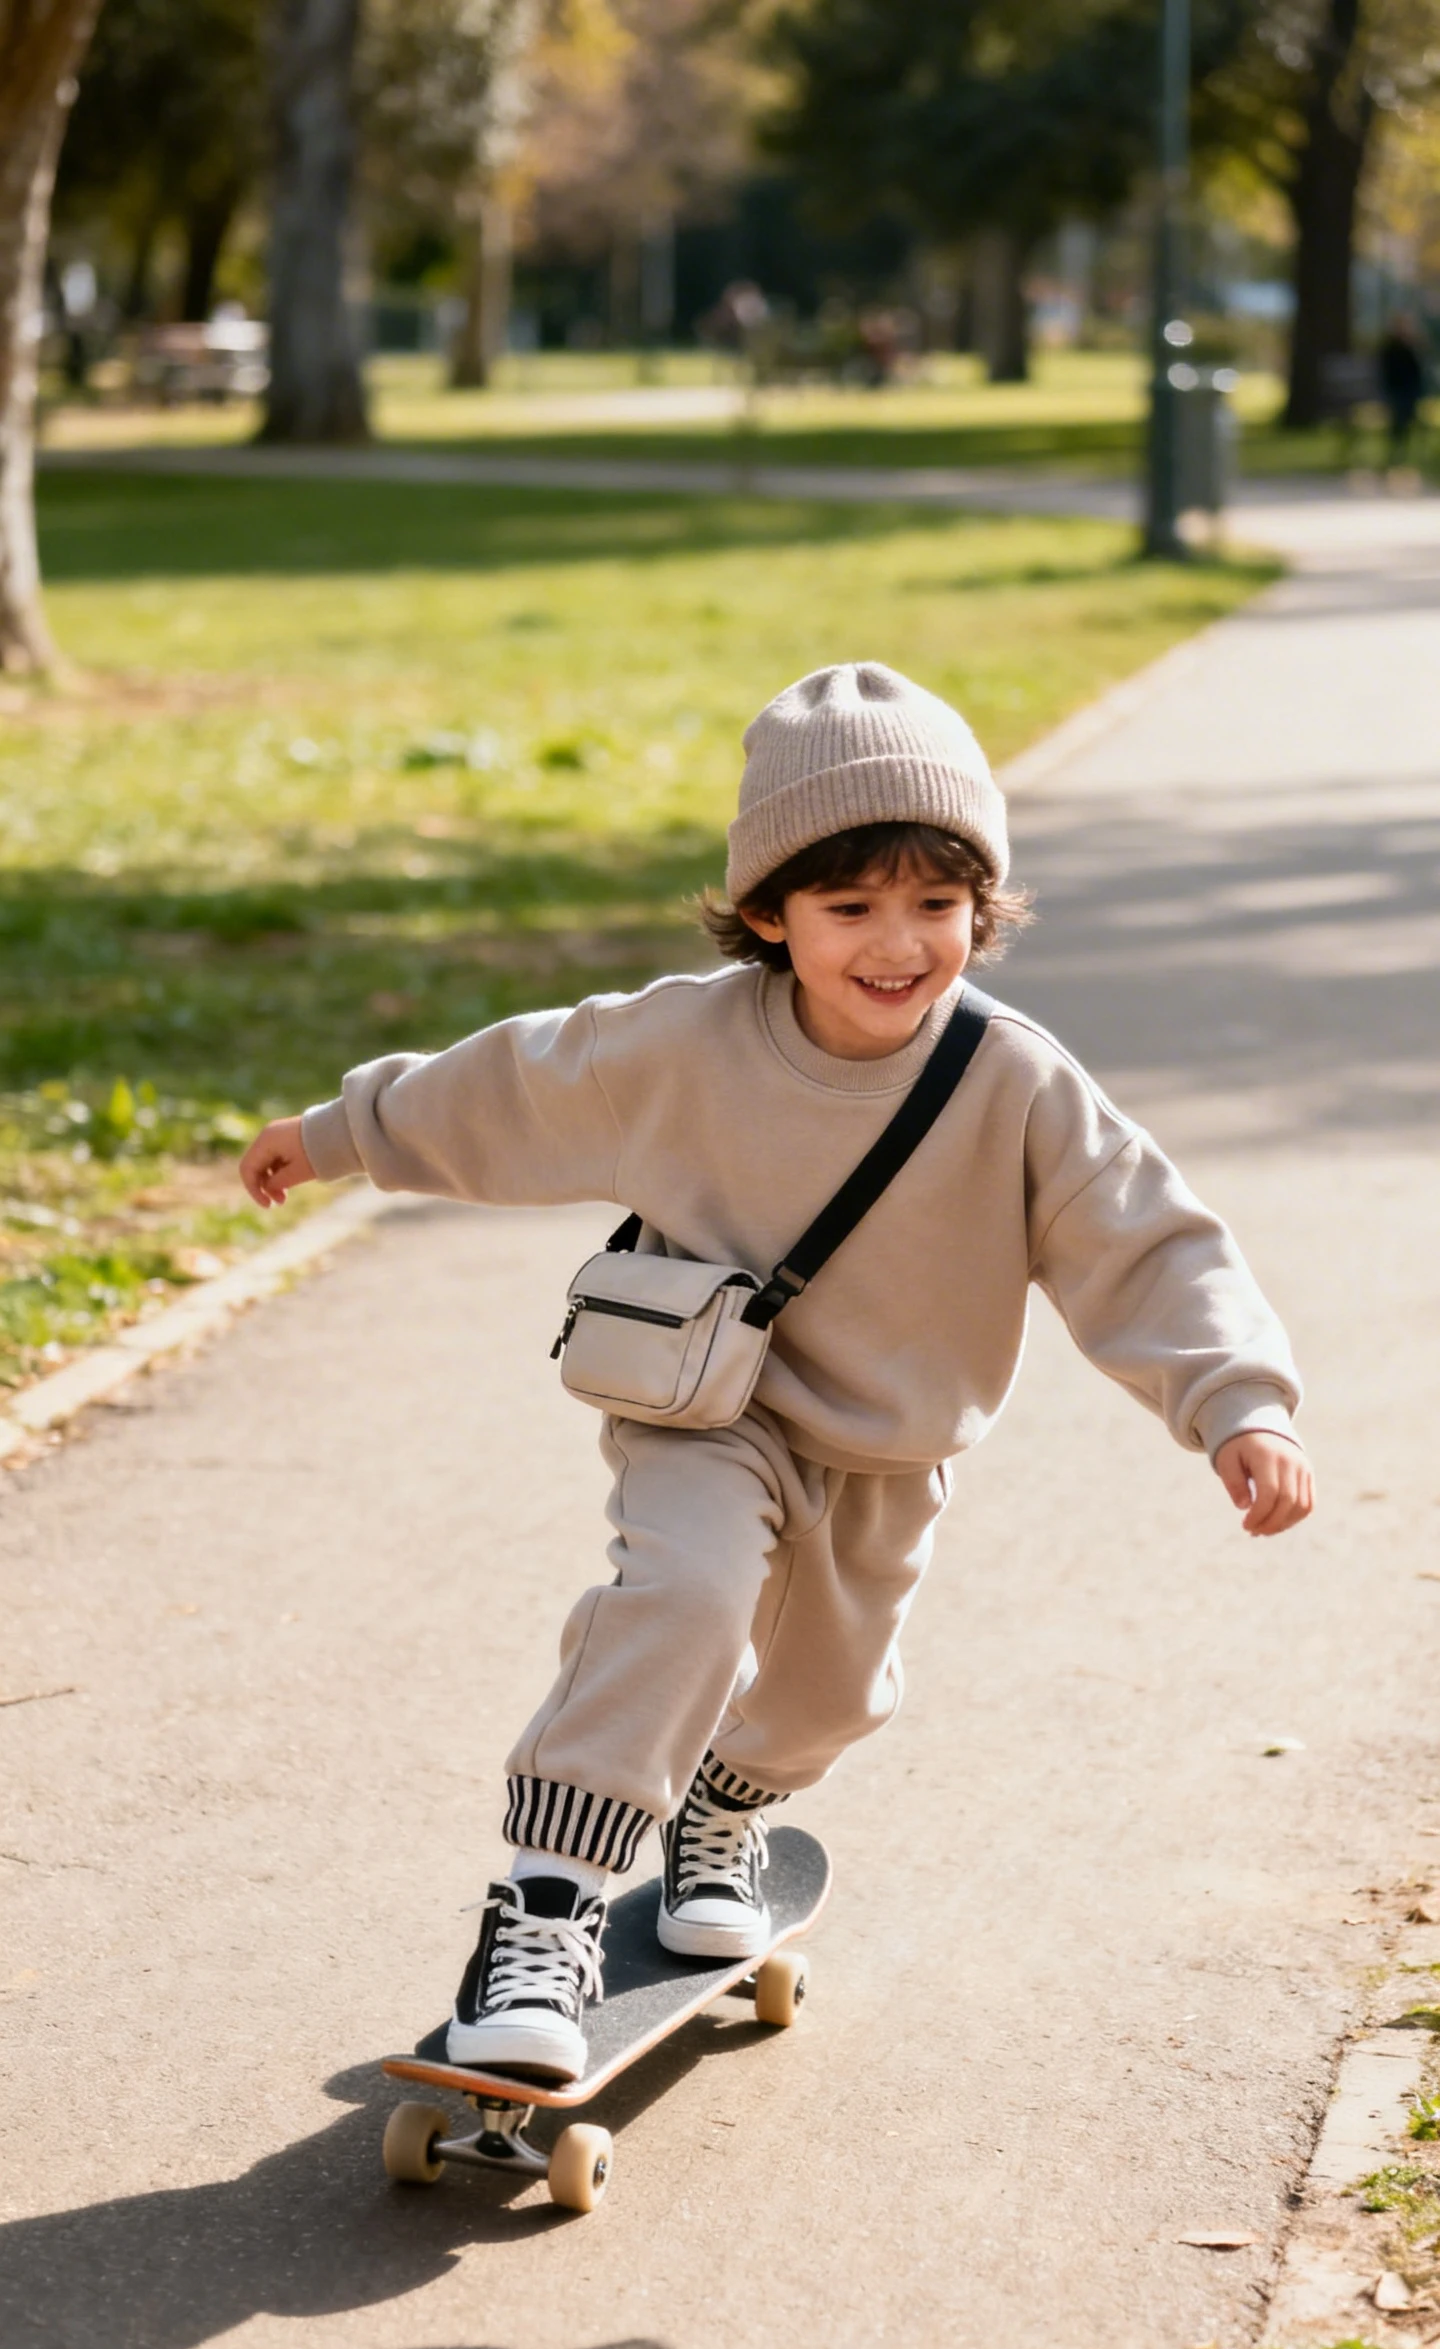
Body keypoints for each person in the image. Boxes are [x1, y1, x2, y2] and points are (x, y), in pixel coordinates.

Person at [240, 663, 1313, 2082]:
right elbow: (511, 1087)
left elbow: (1147, 1243)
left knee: (835, 1696)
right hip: (710, 1411)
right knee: (679, 1599)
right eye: (850, 906)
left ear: (981, 910)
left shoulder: (1016, 1082)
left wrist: (1237, 1399)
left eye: (938, 904)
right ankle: (545, 1906)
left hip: (892, 1446)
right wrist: (341, 1132)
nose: (899, 945)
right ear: (769, 913)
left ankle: (721, 1816)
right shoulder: (680, 1043)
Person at [1377, 316, 1427, 468]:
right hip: (1396, 391)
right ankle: (1398, 448)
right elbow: (1387, 374)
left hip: (1409, 392)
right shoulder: (1390, 349)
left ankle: (1402, 449)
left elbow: (1417, 374)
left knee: (1405, 413)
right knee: (1401, 414)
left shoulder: (1411, 349)